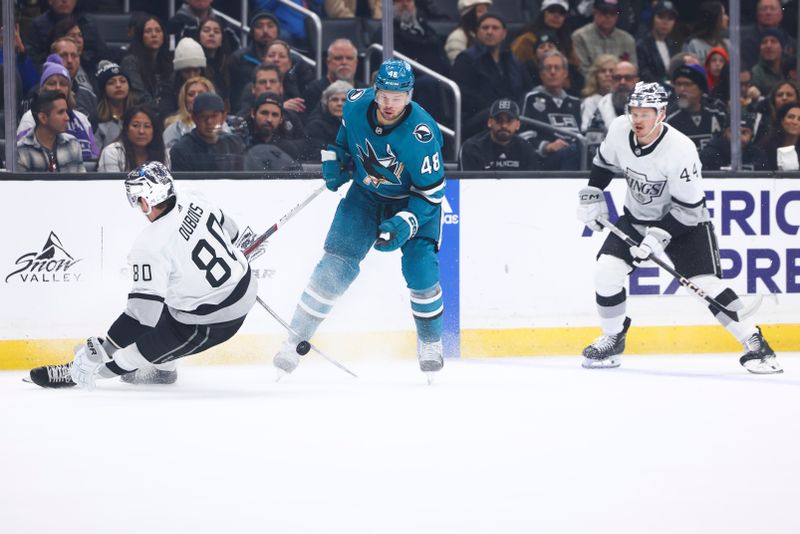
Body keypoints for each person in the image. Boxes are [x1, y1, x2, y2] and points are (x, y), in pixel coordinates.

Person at [576, 81, 782, 374]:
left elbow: (688, 208)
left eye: (645, 113)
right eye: (634, 111)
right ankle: (613, 337)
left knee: (705, 285)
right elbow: (603, 163)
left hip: (685, 224)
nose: (637, 119)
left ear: (661, 114)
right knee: (606, 272)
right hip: (636, 218)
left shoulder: (681, 150)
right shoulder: (620, 129)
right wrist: (592, 195)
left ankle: (755, 343)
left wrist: (657, 239)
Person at [272, 59, 446, 379]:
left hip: (413, 202)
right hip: (365, 197)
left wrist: (405, 221)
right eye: (384, 96)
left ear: (409, 96)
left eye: (398, 97)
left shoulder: (421, 136)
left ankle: (431, 341)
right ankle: (294, 339)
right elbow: (343, 138)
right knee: (334, 266)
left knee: (419, 270)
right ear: (375, 91)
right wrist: (334, 159)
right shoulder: (354, 103)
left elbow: (431, 195)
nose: (390, 104)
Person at [28, 161, 257, 389]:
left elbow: (142, 317)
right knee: (161, 293)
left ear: (146, 201)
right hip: (245, 281)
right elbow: (233, 232)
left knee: (132, 353)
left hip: (213, 320)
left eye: (137, 199)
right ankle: (164, 367)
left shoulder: (151, 245)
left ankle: (77, 372)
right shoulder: (191, 196)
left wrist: (104, 349)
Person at [452, 12, 531, 139]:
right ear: (477, 32)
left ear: (504, 33)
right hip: (479, 118)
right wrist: (499, 109)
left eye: (495, 28)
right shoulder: (466, 59)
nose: (489, 31)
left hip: (512, 115)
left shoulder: (513, 61)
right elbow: (465, 94)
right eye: (485, 28)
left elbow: (526, 89)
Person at [17, 55, 99, 162]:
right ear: (42, 89)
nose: (58, 88)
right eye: (52, 83)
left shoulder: (82, 119)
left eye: (63, 84)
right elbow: (21, 155)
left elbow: (94, 158)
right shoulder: (30, 118)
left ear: (69, 90)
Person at [521, 50, 582, 170]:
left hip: (575, 154)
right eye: (548, 68)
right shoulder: (531, 98)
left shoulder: (576, 103)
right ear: (541, 74)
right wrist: (546, 146)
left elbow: (582, 134)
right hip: (544, 160)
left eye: (557, 68)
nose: (553, 72)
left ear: (565, 73)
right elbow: (522, 136)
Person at [24, 0, 110, 73]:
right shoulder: (37, 26)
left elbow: (104, 57)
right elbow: (33, 62)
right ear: (50, 1)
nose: (65, 0)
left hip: (88, 76)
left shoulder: (88, 23)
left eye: (79, 35)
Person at [170, 92, 245, 171]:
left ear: (223, 117)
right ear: (194, 118)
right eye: (203, 116)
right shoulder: (181, 149)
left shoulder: (234, 144)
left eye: (214, 116)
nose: (209, 121)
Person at [459, 98, 539, 170]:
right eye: (499, 120)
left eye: (509, 120)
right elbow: (468, 184)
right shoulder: (472, 148)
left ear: (518, 125)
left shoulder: (526, 148)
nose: (504, 125)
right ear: (489, 122)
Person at [17, 90, 86, 172]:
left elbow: (81, 182)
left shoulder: (73, 143)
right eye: (61, 112)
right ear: (43, 118)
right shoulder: (21, 150)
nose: (67, 117)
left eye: (66, 111)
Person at [665, 64, 727, 150]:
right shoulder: (669, 120)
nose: (682, 89)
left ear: (700, 88)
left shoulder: (718, 114)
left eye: (687, 84)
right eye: (678, 84)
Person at [571, 0, 637, 77]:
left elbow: (633, 71)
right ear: (594, 12)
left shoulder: (628, 40)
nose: (608, 17)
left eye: (613, 13)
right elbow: (582, 70)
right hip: (590, 86)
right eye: (604, 12)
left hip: (620, 85)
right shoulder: (580, 37)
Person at [121, 15, 172, 112]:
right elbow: (139, 97)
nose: (154, 35)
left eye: (158, 31)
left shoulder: (168, 61)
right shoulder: (130, 62)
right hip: (141, 113)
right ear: (140, 36)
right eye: (148, 31)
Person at [98, 105, 169, 171]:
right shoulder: (112, 152)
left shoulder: (163, 154)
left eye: (147, 126)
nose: (141, 131)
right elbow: (111, 184)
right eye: (135, 125)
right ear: (126, 129)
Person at [302, 39, 362, 117]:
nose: (344, 62)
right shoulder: (313, 90)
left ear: (356, 63)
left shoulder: (366, 90)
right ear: (328, 62)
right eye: (338, 58)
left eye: (349, 58)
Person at [163, 75, 219, 150]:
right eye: (191, 94)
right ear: (184, 99)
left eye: (201, 93)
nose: (196, 98)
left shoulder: (221, 124)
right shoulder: (175, 128)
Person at [511, 0, 571, 68]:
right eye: (552, 11)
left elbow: (575, 64)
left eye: (562, 13)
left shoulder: (567, 40)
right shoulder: (527, 39)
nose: (557, 16)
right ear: (543, 14)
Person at [159, 37, 208, 121]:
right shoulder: (169, 88)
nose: (192, 76)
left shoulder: (209, 85)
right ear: (180, 73)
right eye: (187, 72)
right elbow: (166, 116)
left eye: (196, 71)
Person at [51, 36, 97, 125]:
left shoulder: (89, 97)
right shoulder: (36, 95)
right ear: (52, 59)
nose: (69, 61)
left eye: (74, 55)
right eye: (63, 55)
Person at [699, 113, 768, 171]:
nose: (739, 137)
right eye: (734, 131)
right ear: (725, 133)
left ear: (751, 135)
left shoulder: (757, 154)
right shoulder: (709, 154)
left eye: (744, 132)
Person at [741, 0, 797, 71]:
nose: (768, 13)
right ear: (757, 14)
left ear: (781, 14)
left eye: (773, 9)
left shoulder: (791, 43)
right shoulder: (748, 42)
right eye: (764, 9)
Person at [635, 1, 681, 86]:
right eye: (661, 17)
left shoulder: (674, 46)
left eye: (670, 18)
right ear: (653, 18)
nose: (665, 22)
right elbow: (644, 74)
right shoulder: (642, 45)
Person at [94, 60, 134, 151]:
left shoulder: (137, 115)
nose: (118, 85)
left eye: (123, 81)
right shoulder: (95, 119)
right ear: (103, 89)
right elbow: (93, 154)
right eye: (111, 82)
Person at [305, 80, 352, 152]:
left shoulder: (359, 124)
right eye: (334, 100)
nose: (339, 104)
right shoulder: (316, 126)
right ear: (326, 102)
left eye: (344, 100)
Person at [445, 0, 492, 64]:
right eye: (480, 11)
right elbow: (459, 66)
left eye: (486, 11)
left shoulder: (482, 35)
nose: (486, 15)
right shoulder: (457, 37)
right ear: (469, 14)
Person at [758, 101, 800, 171]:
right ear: (782, 121)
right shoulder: (765, 147)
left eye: (799, 119)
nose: (795, 122)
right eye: (790, 117)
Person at [751, 29, 787, 97]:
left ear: (782, 47)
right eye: (764, 42)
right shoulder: (755, 73)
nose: (768, 46)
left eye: (773, 41)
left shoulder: (790, 68)